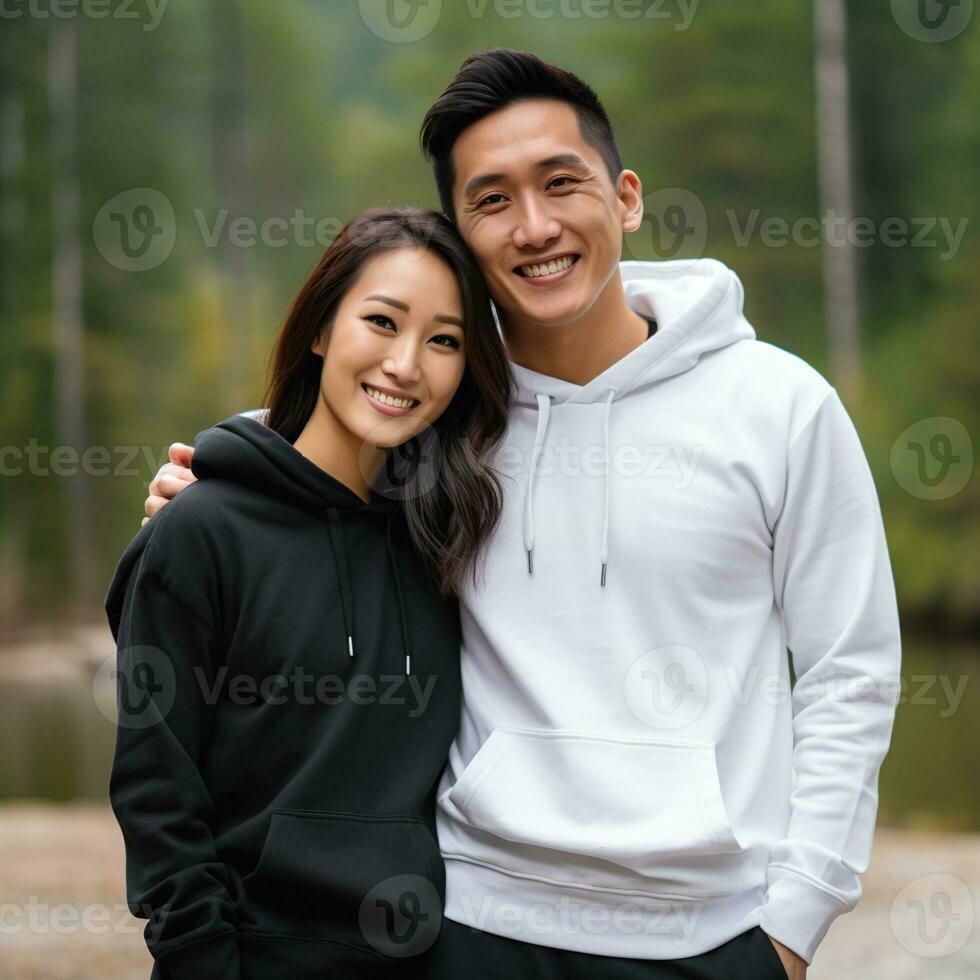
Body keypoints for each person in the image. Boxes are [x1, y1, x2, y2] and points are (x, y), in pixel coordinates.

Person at [144, 50, 902, 980]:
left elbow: (849, 669)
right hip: (468, 925)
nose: (535, 225)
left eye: (560, 183)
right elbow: (320, 437)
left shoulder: (782, 407)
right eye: (492, 199)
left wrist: (796, 923)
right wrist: (217, 480)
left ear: (624, 197)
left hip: (711, 937)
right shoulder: (444, 407)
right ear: (464, 235)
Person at [106, 207, 513, 980]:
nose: (406, 364)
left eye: (445, 340)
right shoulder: (202, 529)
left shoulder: (448, 540)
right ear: (322, 328)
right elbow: (159, 794)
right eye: (382, 322)